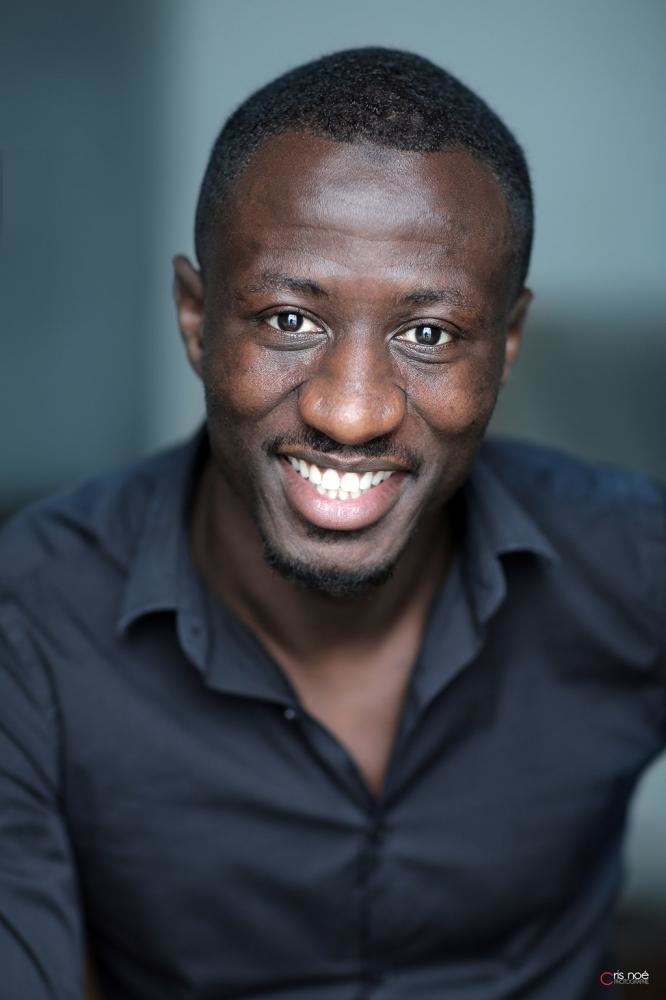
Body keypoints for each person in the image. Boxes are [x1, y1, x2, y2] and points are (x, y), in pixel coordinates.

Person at [1, 46, 663, 1000]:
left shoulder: (633, 564)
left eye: (428, 335)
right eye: (288, 320)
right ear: (195, 319)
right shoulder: (31, 615)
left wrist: (628, 982)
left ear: (506, 344)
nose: (351, 414)